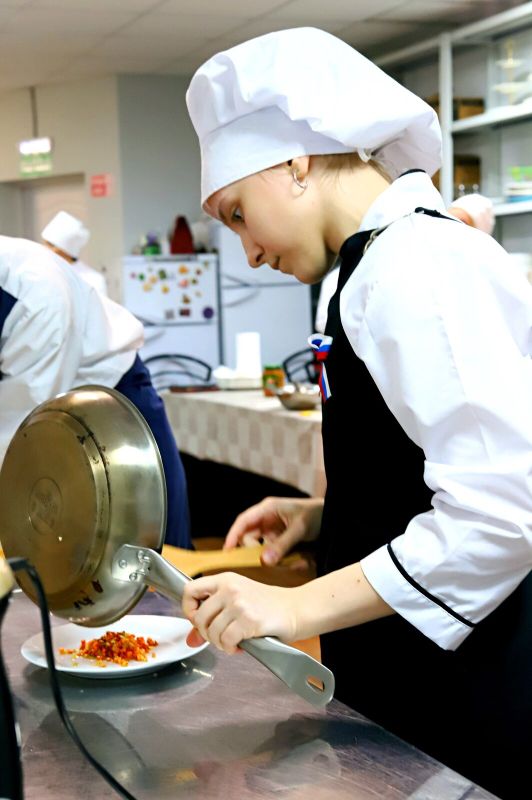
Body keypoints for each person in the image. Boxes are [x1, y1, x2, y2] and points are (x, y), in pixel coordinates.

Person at [180, 27, 532, 799]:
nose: (248, 252)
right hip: (400, 672)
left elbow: (501, 514)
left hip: (465, 692)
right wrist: (324, 516)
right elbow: (420, 464)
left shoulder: (420, 264)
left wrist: (293, 605)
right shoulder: (364, 270)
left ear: (295, 164)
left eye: (237, 214)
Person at [0, 234, 191, 549]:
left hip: (113, 410)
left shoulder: (33, 292)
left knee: (158, 555)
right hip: (43, 420)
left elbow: (14, 444)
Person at [315, 192, 496, 333]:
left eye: (463, 222)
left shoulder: (476, 281)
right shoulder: (402, 260)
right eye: (448, 216)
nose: (450, 224)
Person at [41, 210, 108, 295]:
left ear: (65, 250)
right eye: (45, 243)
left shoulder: (93, 280)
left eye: (51, 245)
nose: (45, 249)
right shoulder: (42, 271)